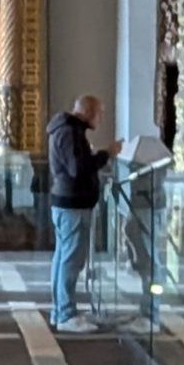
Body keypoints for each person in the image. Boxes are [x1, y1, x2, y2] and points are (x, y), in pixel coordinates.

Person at [46, 90, 104, 332]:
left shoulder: (66, 130)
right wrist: (105, 155)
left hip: (67, 202)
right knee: (70, 261)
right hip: (73, 205)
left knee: (63, 258)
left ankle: (59, 309)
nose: (100, 118)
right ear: (88, 112)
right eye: (99, 113)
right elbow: (78, 169)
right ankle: (66, 314)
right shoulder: (70, 133)